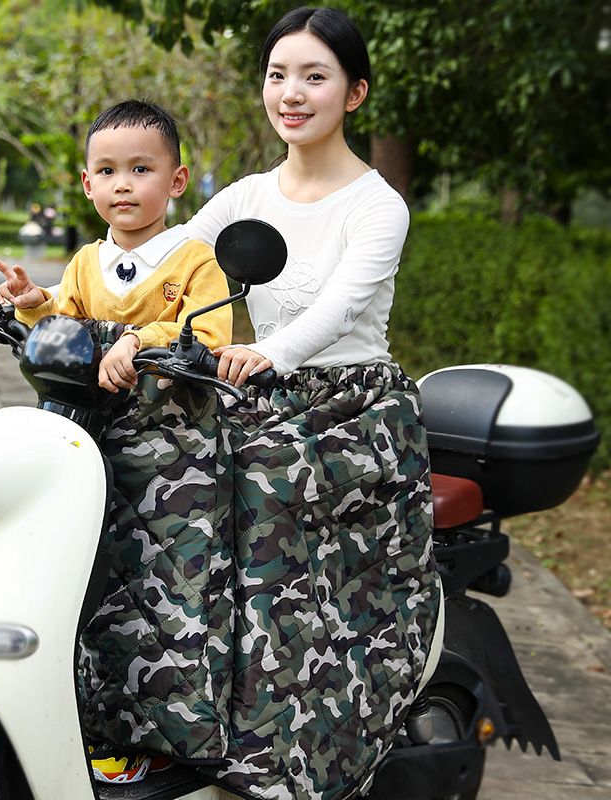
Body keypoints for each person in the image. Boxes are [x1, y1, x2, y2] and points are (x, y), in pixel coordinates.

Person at [78, 7, 440, 800]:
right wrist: (43, 304)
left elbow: (337, 310)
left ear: (354, 93)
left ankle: (277, 741)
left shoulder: (377, 206)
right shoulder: (244, 195)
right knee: (134, 467)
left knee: (260, 493)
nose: (292, 93)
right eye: (279, 75)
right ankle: (156, 711)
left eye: (315, 76)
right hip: (249, 389)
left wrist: (272, 352)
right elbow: (156, 261)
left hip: (346, 405)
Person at [0, 99, 232, 393]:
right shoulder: (85, 263)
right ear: (88, 184)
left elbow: (210, 338)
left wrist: (138, 340)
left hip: (172, 418)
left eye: (140, 169)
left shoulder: (197, 263)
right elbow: (63, 334)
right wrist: (34, 306)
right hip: (86, 412)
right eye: (106, 171)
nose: (122, 185)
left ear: (176, 181)